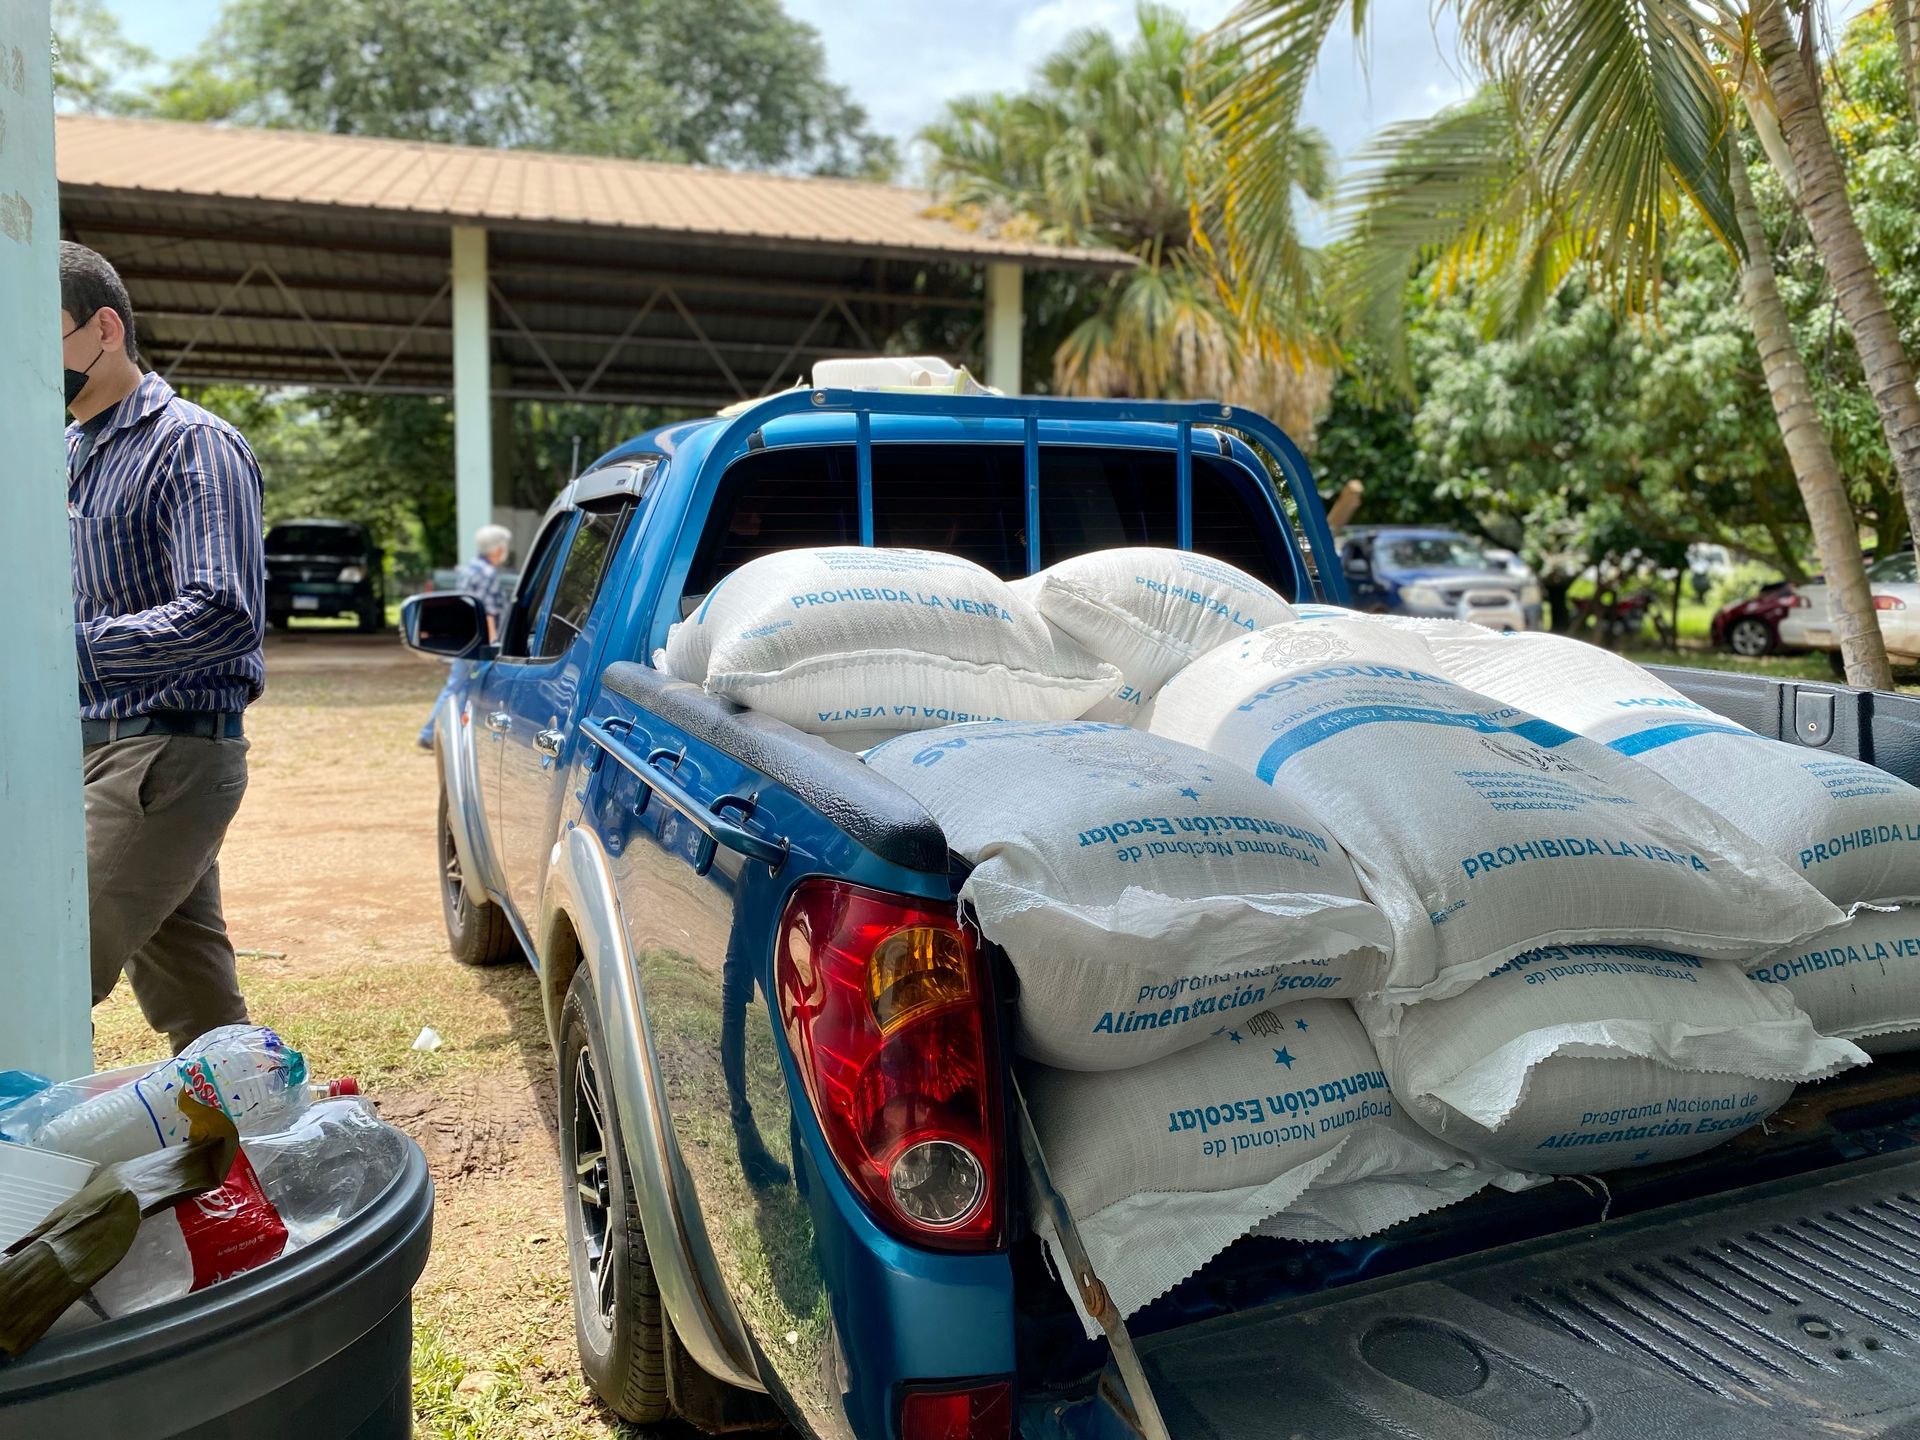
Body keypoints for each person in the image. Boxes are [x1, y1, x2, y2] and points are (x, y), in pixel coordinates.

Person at [61, 241, 266, 1055]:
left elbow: (223, 613)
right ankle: (263, 1146)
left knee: (40, 973)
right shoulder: (68, 452)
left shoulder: (193, 444)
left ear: (104, 328)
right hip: (100, 755)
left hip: (163, 760)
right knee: (201, 1013)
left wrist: (64, 655)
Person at [417, 525, 512, 750]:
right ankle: (431, 733)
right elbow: (487, 612)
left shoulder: (469, 569)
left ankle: (442, 734)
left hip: (463, 639)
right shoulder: (488, 573)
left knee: (457, 687)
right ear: (498, 549)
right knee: (462, 687)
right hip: (478, 641)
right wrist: (492, 645)